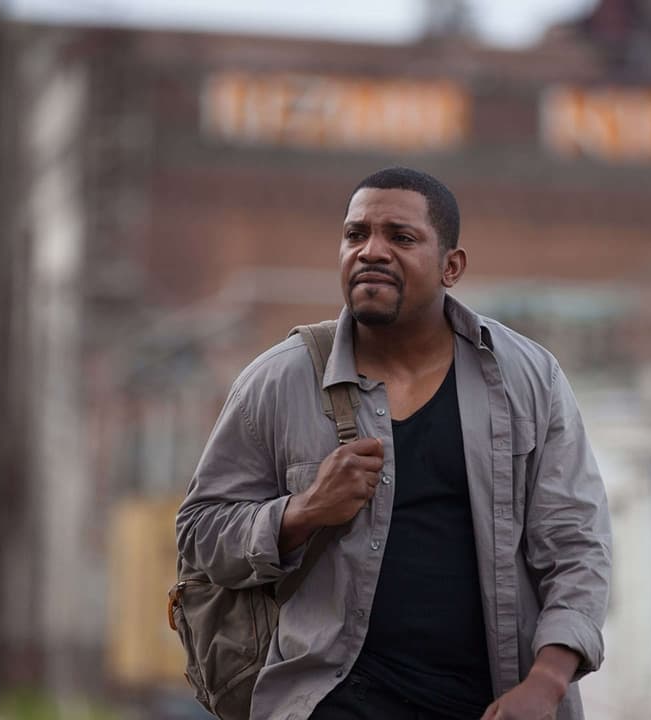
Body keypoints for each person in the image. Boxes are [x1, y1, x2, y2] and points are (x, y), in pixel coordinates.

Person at [176, 167, 612, 720]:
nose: (371, 251)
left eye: (401, 237)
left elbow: (577, 548)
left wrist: (546, 683)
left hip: (491, 703)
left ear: (451, 266)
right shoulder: (278, 382)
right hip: (330, 702)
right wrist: (302, 511)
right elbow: (199, 534)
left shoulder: (527, 378)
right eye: (356, 234)